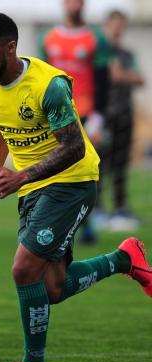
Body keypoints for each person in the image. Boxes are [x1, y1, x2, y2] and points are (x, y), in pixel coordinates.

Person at [0, 12, 152, 362]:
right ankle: (124, 259)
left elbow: (72, 148)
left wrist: (18, 176)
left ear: (10, 47)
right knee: (53, 288)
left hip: (72, 181)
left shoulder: (48, 85)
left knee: (23, 269)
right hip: (36, 187)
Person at [38, 0, 112, 243]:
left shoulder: (95, 39)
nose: (75, 4)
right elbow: (40, 79)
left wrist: (98, 117)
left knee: (86, 169)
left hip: (86, 113)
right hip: (58, 114)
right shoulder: (48, 38)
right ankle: (58, 224)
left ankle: (86, 222)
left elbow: (102, 80)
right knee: (56, 168)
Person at [103, 10, 145, 231]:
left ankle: (120, 208)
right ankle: (97, 210)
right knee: (99, 164)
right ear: (107, 25)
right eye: (115, 24)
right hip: (104, 116)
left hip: (124, 113)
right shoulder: (99, 51)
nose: (118, 28)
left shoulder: (127, 54)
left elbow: (140, 79)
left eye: (122, 24)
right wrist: (121, 75)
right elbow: (112, 76)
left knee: (121, 164)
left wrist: (122, 75)